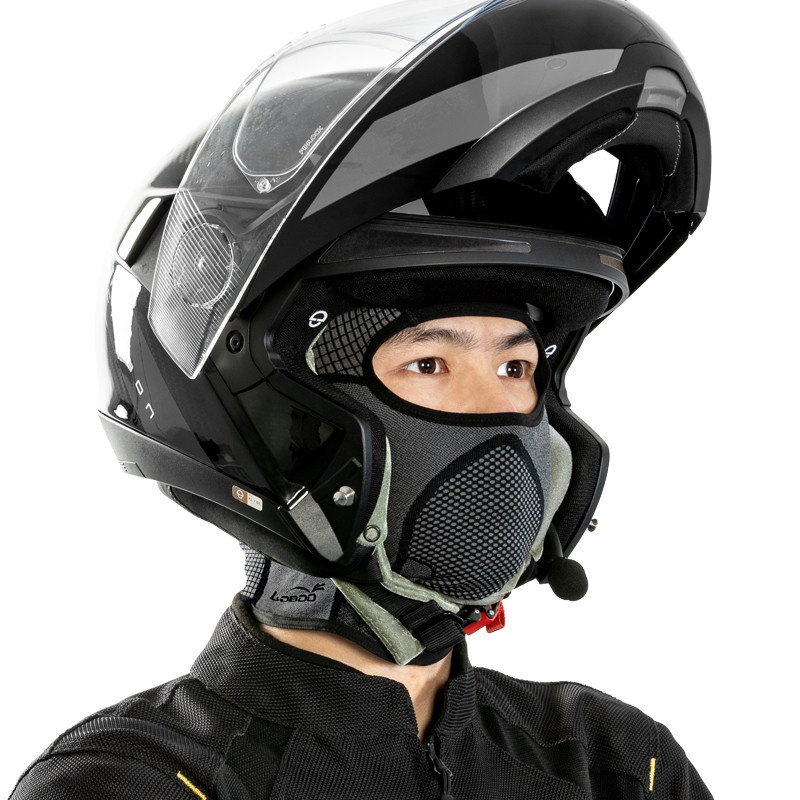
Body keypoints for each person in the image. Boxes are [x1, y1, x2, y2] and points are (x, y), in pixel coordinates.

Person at [9, 0, 713, 797]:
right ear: (281, 422)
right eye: (429, 363)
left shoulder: (615, 763)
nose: (499, 416)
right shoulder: (137, 785)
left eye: (518, 369)